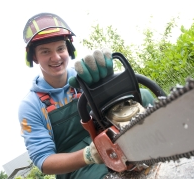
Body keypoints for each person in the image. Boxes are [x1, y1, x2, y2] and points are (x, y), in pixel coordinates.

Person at [18, 12, 155, 179]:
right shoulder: (31, 105)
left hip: (109, 139)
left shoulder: (84, 76)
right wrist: (89, 155)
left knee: (144, 96)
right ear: (34, 57)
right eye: (45, 51)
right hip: (79, 168)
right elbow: (44, 161)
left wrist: (110, 87)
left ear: (68, 49)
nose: (56, 57)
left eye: (60, 48)